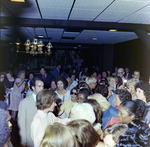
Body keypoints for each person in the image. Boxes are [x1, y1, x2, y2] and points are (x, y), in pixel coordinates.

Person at [18, 77, 44, 147]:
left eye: (42, 86)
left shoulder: (46, 101)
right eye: (39, 86)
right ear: (33, 87)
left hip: (44, 139)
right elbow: (21, 123)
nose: (42, 88)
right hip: (31, 139)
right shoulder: (24, 102)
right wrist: (23, 140)